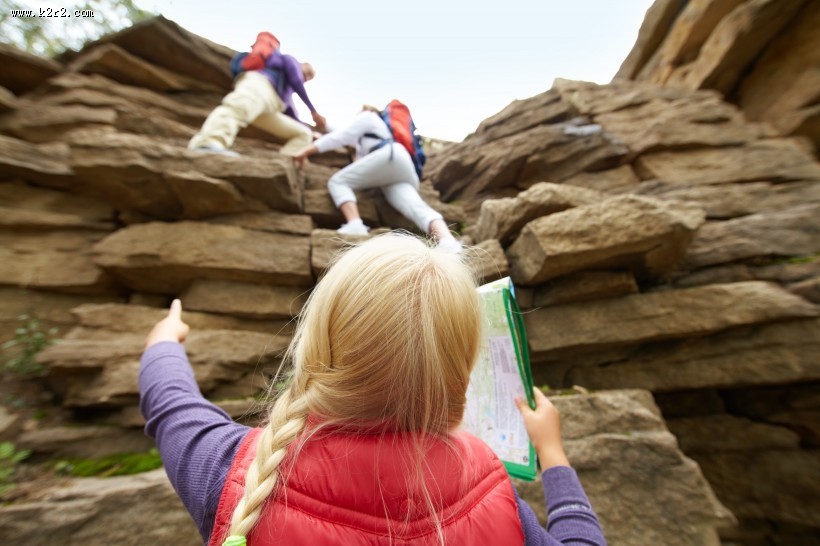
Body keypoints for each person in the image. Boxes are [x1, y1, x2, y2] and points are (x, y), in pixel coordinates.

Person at [140, 233, 607, 546]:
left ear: (319, 346)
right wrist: (554, 457)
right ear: (462, 376)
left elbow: (172, 404)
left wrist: (163, 341)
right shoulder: (491, 485)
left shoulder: (232, 473)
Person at [291, 106, 461, 252]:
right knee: (416, 207)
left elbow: (341, 136)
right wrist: (325, 125)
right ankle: (448, 241)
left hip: (387, 157)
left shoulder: (368, 116)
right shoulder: (376, 130)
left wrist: (305, 151)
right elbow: (344, 134)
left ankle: (355, 224)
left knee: (338, 181)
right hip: (400, 168)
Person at [188, 50, 327, 157]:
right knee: (238, 108)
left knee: (303, 133)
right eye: (308, 73)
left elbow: (292, 114)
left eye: (310, 78)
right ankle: (207, 144)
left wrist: (311, 132)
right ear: (302, 65)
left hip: (270, 106)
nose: (307, 78)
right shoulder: (291, 61)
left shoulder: (287, 92)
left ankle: (280, 166)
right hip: (260, 84)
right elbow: (296, 79)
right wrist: (313, 111)